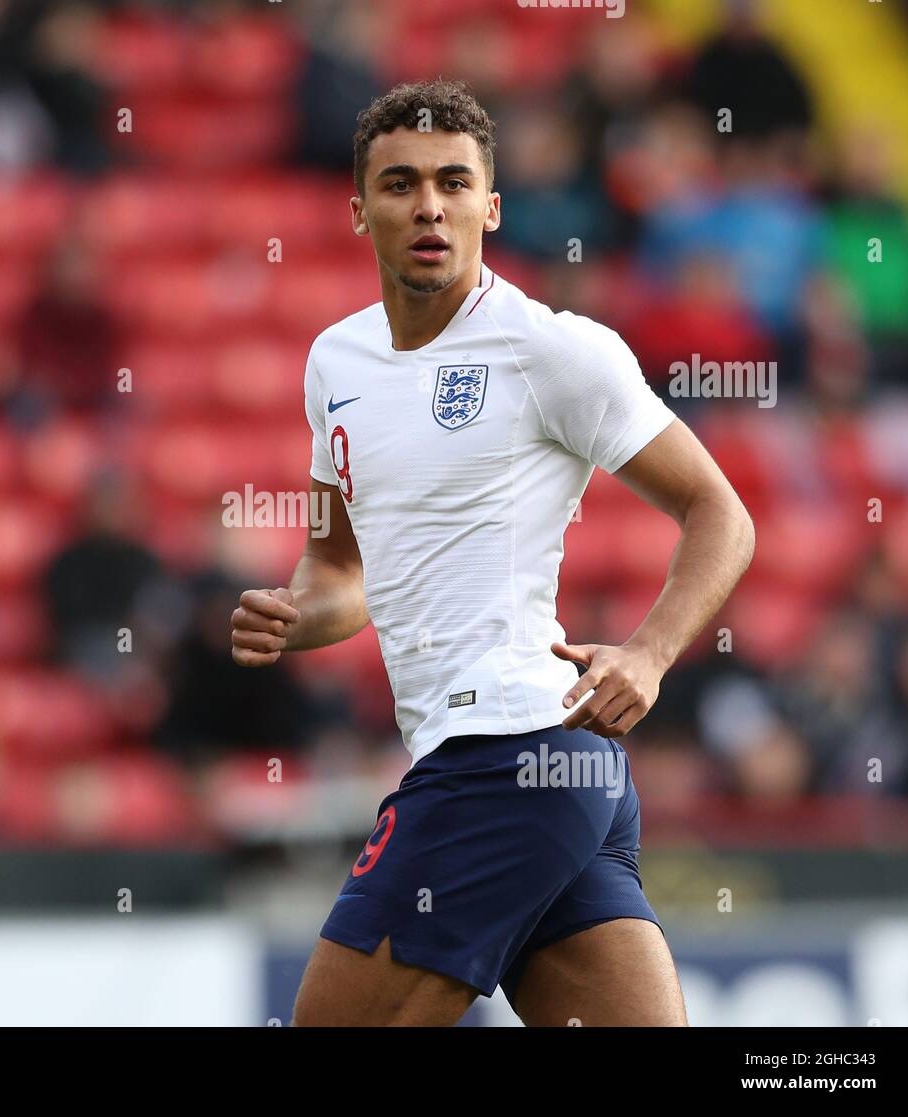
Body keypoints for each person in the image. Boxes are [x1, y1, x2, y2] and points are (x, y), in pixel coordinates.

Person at [230, 79, 755, 1026]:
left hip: (508, 755)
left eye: (452, 182)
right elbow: (342, 571)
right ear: (359, 210)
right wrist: (294, 614)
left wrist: (649, 650)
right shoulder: (334, 364)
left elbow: (721, 511)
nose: (429, 204)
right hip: (561, 775)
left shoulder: (552, 351)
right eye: (399, 183)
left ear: (490, 205)